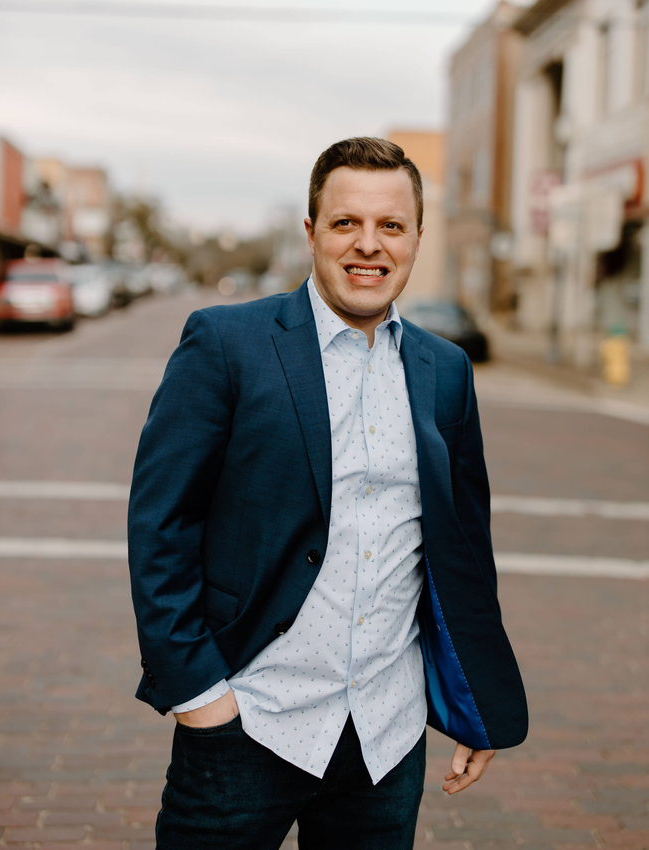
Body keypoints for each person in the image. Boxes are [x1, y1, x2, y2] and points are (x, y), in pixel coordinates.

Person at [128, 137, 528, 850]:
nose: (368, 245)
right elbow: (161, 525)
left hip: (385, 736)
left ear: (415, 238)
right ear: (311, 232)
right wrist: (198, 698)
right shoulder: (227, 343)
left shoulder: (446, 371)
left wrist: (482, 705)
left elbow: (463, 550)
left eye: (390, 226)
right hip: (247, 720)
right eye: (346, 223)